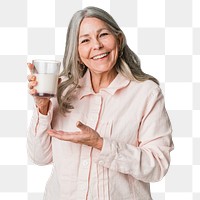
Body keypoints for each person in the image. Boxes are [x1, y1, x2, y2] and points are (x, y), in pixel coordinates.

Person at [27, 6, 174, 200]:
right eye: (85, 40)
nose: (96, 45)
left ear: (119, 40)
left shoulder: (146, 93)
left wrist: (101, 144)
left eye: (103, 34)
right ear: (77, 51)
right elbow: (39, 157)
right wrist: (42, 107)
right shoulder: (61, 90)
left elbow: (157, 166)